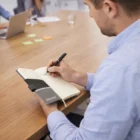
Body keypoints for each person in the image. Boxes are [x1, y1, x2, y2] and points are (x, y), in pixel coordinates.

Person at [36, 0, 140, 140]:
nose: (90, 15)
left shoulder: (120, 68)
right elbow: (130, 84)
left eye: (88, 6)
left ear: (109, 8)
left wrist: (50, 109)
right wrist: (77, 76)